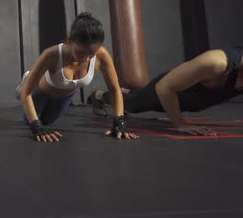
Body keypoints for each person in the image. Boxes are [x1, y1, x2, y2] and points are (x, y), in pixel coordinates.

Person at [16, 13, 139, 142]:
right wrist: (36, 127)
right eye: (80, 53)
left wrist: (119, 122)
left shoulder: (101, 55)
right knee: (28, 121)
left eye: (91, 54)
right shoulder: (52, 54)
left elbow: (114, 89)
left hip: (64, 97)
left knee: (47, 121)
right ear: (68, 41)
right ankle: (28, 78)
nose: (85, 58)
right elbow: (27, 93)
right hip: (41, 91)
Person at [88, 46, 243, 136]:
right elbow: (164, 87)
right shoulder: (218, 63)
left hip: (185, 100)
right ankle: (100, 95)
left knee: (137, 96)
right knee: (133, 105)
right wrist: (180, 124)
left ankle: (128, 92)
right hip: (166, 93)